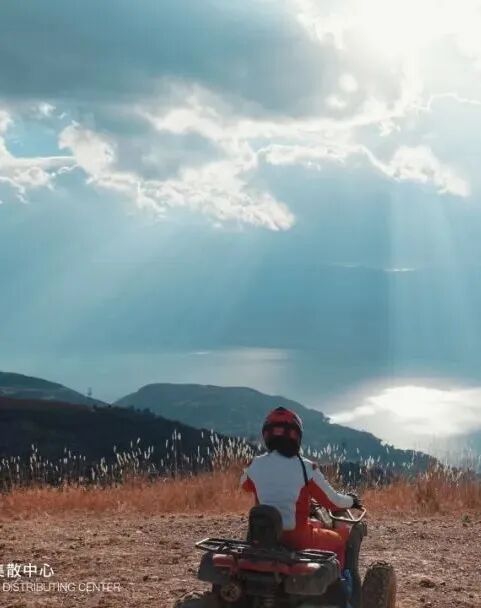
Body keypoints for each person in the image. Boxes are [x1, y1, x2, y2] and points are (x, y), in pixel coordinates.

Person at [241, 406, 364, 605]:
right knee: (341, 538)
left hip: (263, 539)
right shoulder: (306, 467)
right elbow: (333, 502)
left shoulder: (254, 465)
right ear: (297, 436)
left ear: (267, 435)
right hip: (298, 539)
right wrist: (352, 500)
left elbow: (245, 486)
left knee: (314, 524)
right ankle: (343, 593)